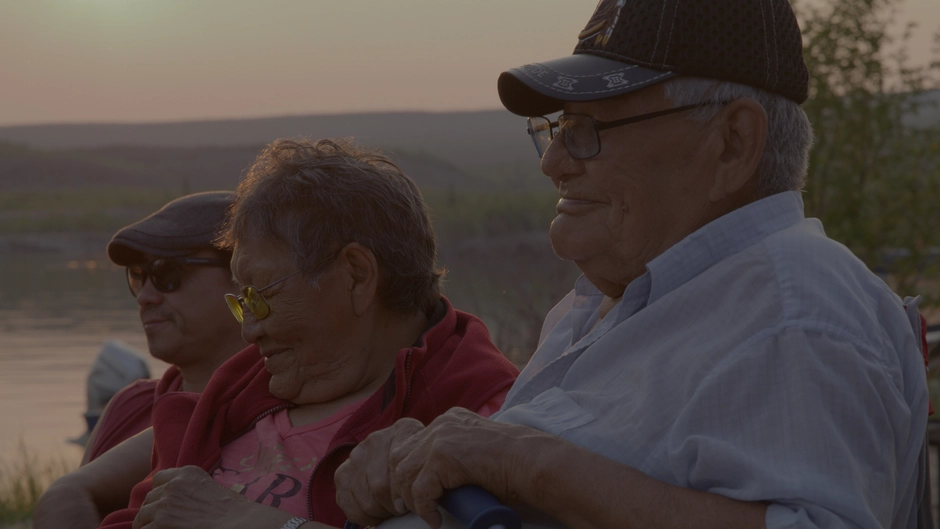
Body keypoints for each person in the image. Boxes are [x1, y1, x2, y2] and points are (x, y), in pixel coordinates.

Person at [334, 1, 931, 528]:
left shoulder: (794, 309)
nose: (556, 163)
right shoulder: (628, 296)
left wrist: (524, 461)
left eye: (590, 128)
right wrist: (428, 453)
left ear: (732, 144)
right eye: (560, 126)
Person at [36, 138, 519, 529]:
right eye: (241, 300)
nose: (249, 329)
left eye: (261, 295)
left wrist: (252, 521)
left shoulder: (481, 418)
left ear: (355, 276)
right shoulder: (236, 390)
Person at [79, 191, 247, 465]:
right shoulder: (127, 409)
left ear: (243, 274)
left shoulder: (287, 410)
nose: (145, 296)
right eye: (138, 276)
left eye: (166, 273)